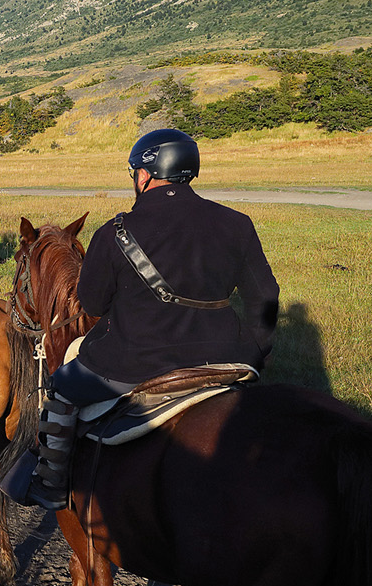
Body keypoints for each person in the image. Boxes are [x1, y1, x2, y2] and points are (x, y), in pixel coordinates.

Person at [20, 128, 281, 510]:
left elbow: (92, 303)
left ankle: (51, 482)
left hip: (133, 362)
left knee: (61, 389)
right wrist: (254, 350)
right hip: (227, 356)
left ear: (144, 175)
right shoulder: (238, 223)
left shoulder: (115, 232)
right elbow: (266, 296)